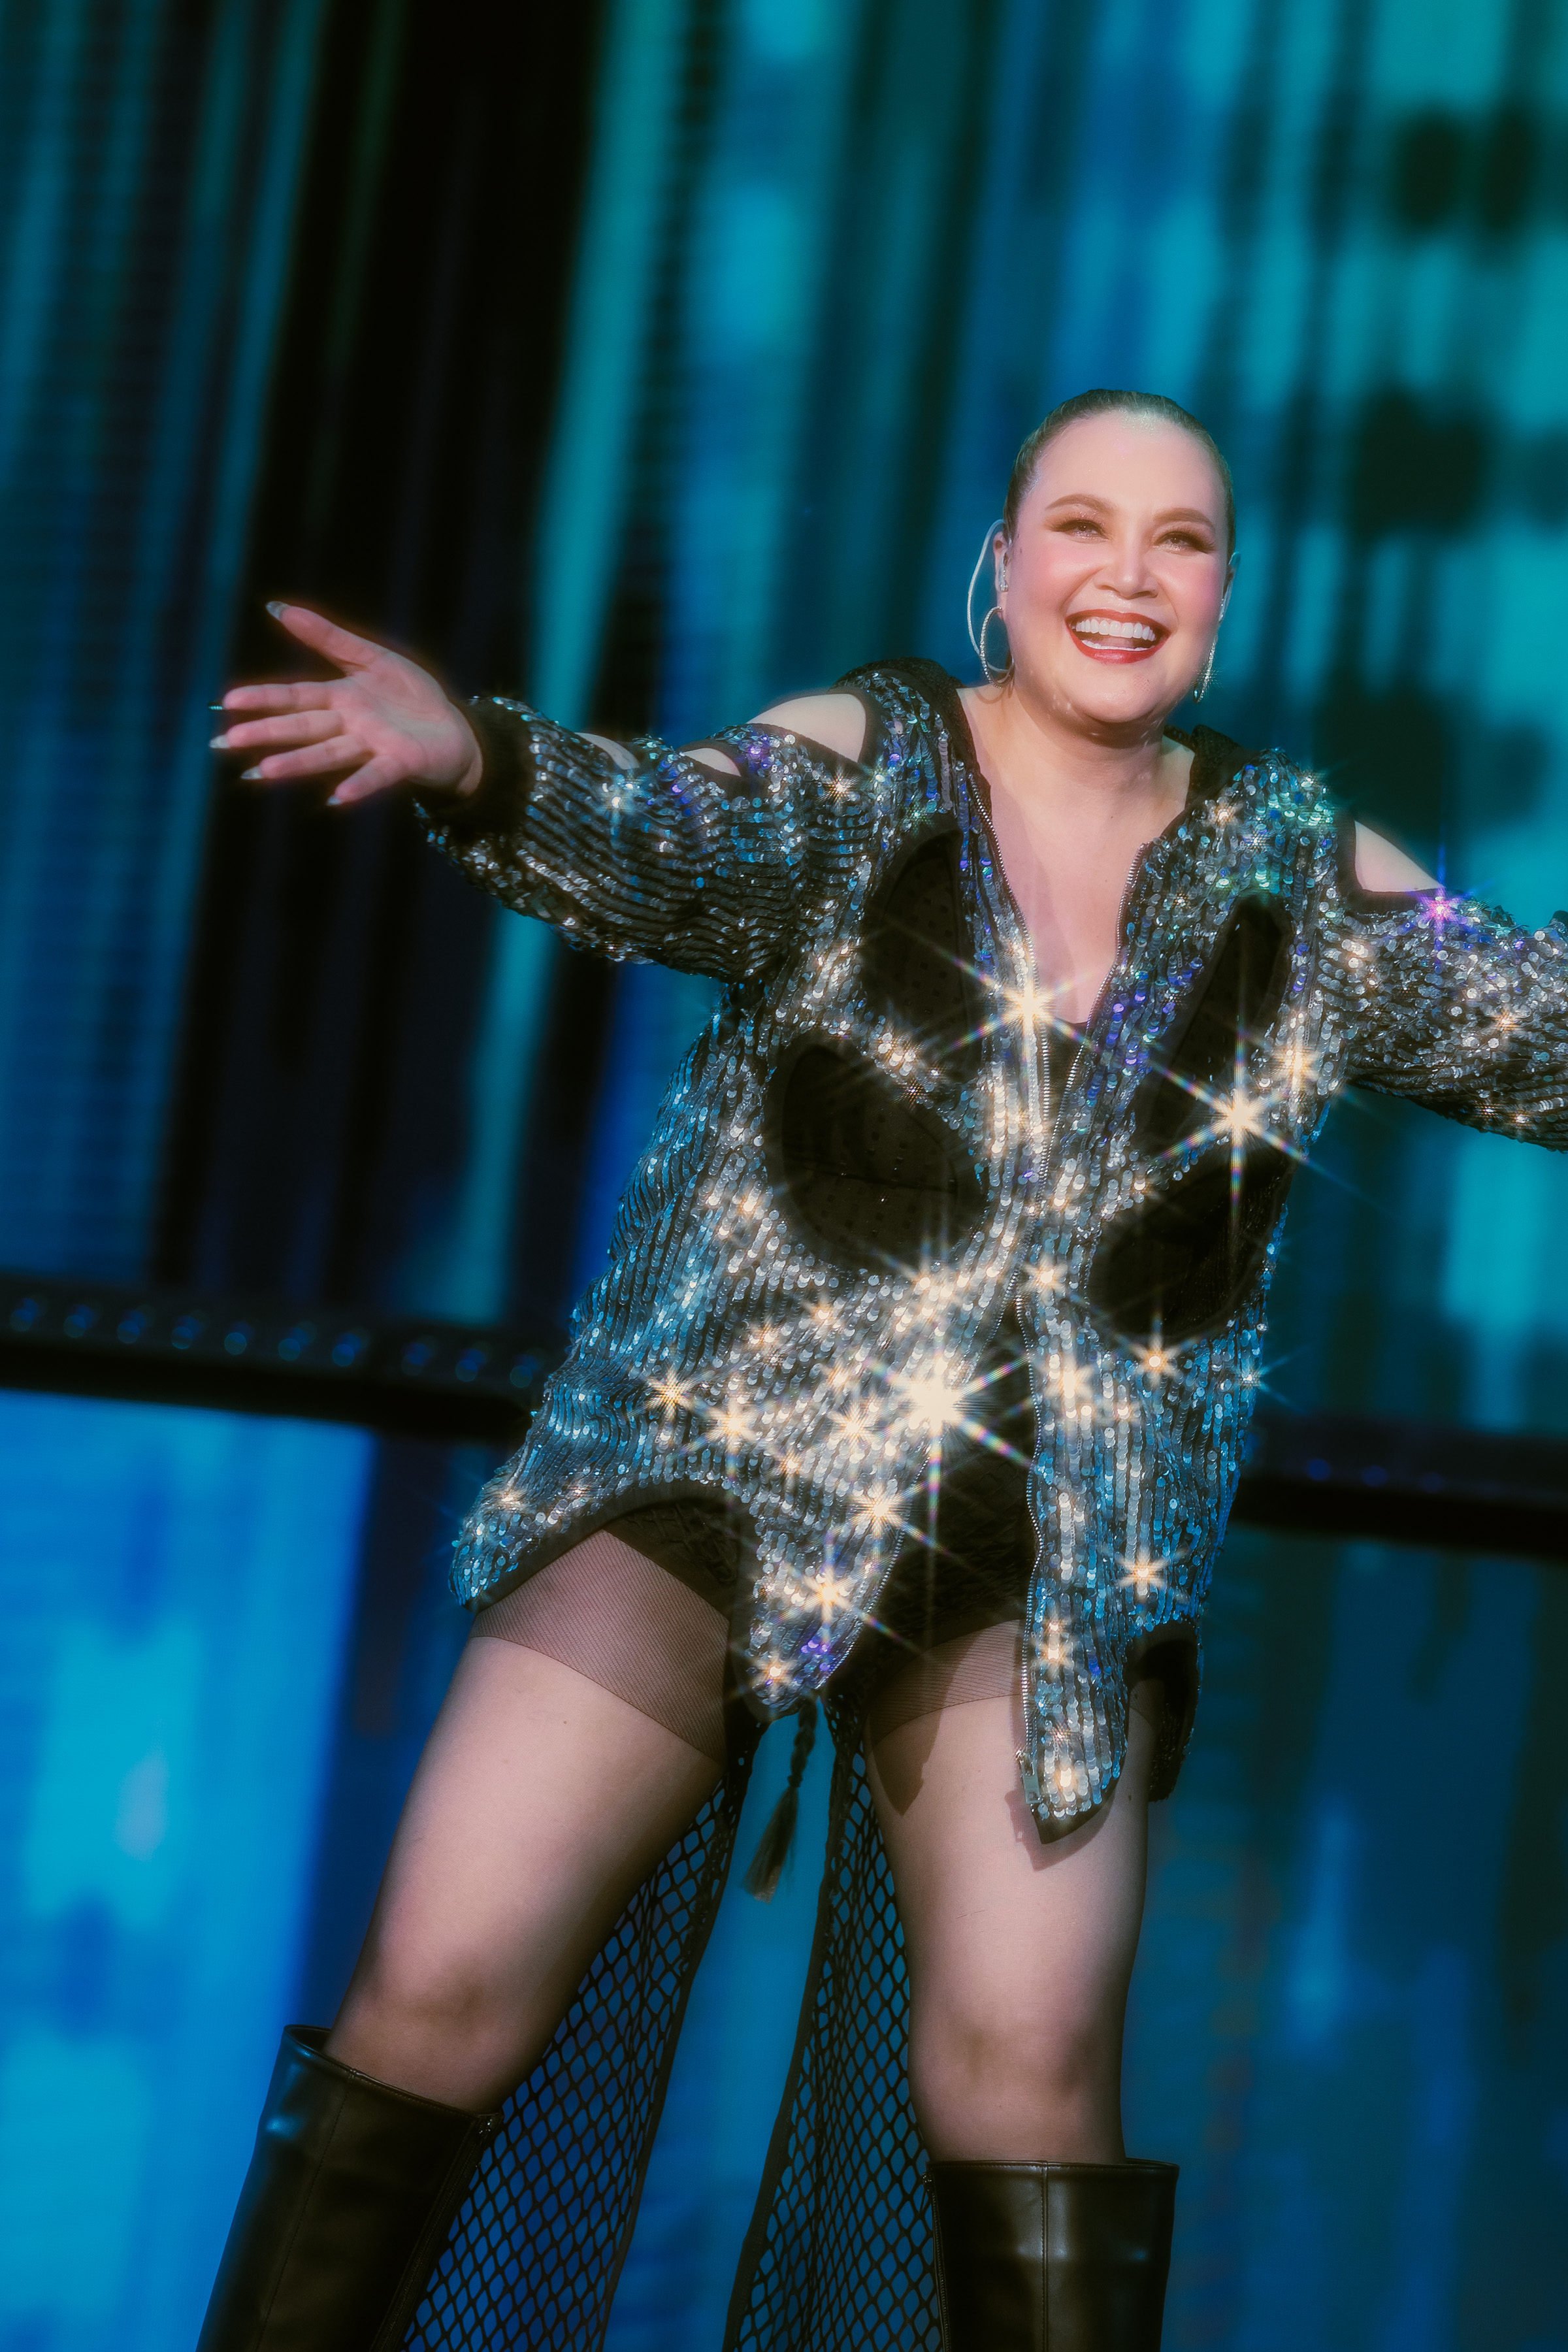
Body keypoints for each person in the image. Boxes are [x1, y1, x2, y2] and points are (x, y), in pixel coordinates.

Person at [197, 390, 1568, 2352]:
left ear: (1223, 598)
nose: (1127, 575)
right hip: (709, 1476)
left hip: (1047, 1554)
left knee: (1031, 2073)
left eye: (1179, 541)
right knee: (441, 1988)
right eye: (1082, 526)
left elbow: (1537, 1027)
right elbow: (664, 831)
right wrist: (480, 756)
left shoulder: (1293, 861)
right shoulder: (873, 755)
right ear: (1004, 564)